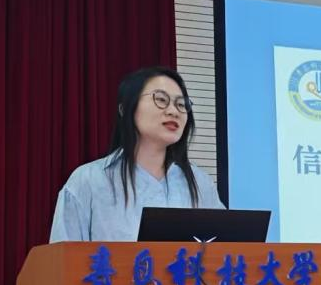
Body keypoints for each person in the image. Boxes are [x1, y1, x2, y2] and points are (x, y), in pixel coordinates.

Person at [50, 67, 224, 242]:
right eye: (161, 99)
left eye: (181, 104)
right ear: (126, 108)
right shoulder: (88, 180)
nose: (174, 111)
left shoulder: (200, 183)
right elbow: (62, 256)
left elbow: (227, 249)